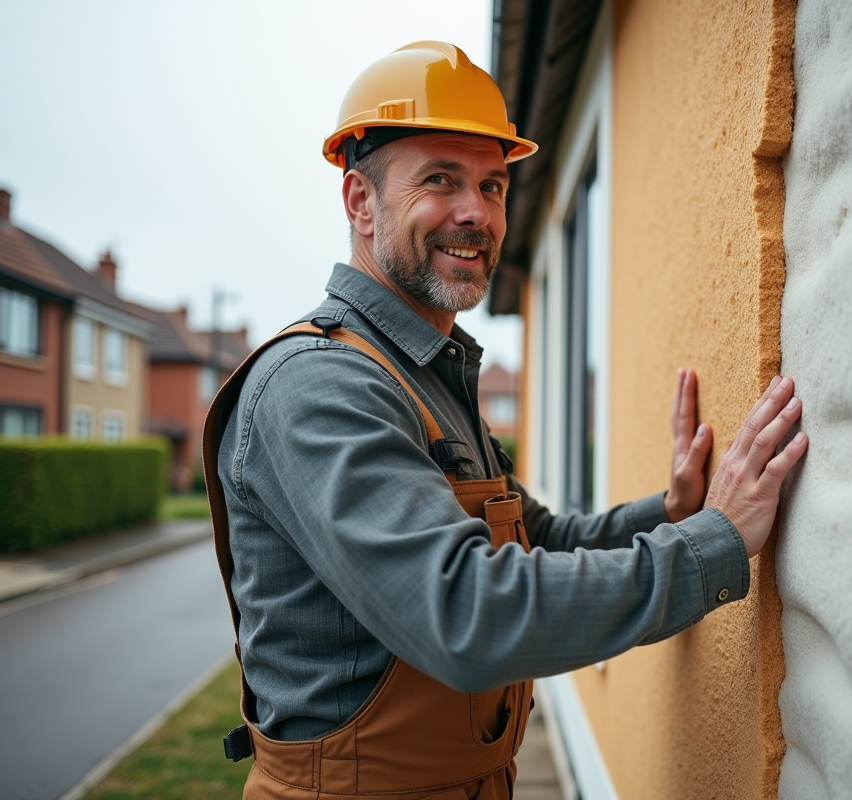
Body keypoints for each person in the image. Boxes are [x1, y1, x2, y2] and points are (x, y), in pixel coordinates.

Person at [202, 41, 808, 800]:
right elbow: (470, 614)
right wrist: (713, 544)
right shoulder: (319, 386)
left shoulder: (422, 371)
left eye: (492, 185)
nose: (476, 213)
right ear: (359, 200)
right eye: (440, 180)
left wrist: (676, 512)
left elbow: (535, 538)